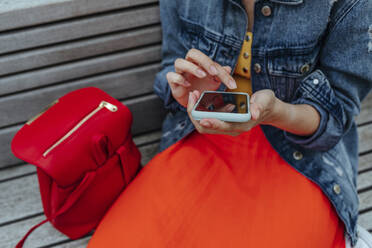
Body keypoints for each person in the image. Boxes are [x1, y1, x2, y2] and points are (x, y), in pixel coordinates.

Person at [88, 0, 372, 247]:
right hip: (199, 137)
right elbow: (170, 67)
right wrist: (186, 90)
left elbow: (334, 115)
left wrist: (275, 113)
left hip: (301, 155)